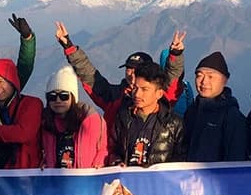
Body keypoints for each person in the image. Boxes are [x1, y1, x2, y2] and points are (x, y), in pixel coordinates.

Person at [55, 21, 185, 145]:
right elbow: (89, 75)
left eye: (137, 70)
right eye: (128, 69)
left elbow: (173, 78)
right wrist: (69, 47)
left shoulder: (160, 97)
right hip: (116, 157)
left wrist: (175, 54)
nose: (131, 74)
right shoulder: (114, 96)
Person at [108, 62, 186, 167]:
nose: (137, 94)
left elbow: (181, 160)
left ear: (159, 94)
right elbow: (112, 149)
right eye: (135, 88)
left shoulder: (174, 124)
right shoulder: (123, 118)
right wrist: (117, 162)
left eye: (144, 89)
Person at [0, 58, 43, 169]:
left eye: (1, 81)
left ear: (12, 82)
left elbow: (24, 133)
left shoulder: (31, 104)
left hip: (29, 173)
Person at [183, 52, 247, 162]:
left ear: (224, 80)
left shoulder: (232, 116)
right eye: (199, 76)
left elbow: (236, 158)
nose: (204, 81)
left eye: (210, 76)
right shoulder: (191, 111)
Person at [41, 66, 108, 169]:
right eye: (52, 96)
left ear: (73, 97)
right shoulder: (46, 123)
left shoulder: (90, 120)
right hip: (57, 178)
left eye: (64, 96)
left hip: (85, 176)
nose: (58, 100)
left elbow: (103, 148)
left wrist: (100, 162)